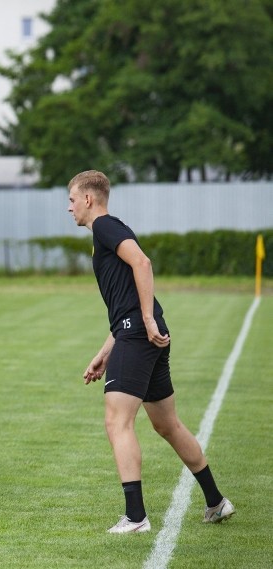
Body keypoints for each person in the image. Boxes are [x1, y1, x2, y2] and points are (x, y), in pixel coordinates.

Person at [67, 170, 235, 534]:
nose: (69, 208)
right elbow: (126, 299)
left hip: (139, 334)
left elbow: (142, 263)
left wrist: (143, 319)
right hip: (138, 334)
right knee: (167, 424)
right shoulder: (107, 232)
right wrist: (107, 349)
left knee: (117, 421)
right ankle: (216, 502)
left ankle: (136, 517)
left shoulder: (104, 227)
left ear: (88, 199)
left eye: (71, 200)